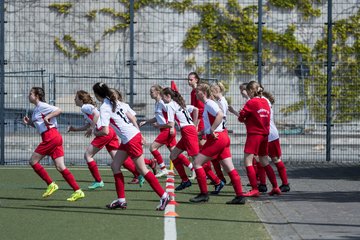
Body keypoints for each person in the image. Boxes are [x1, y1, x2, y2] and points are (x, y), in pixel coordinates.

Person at [92, 82, 169, 210]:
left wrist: (95, 132)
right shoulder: (115, 101)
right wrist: (139, 133)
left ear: (97, 95)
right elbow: (132, 117)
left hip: (130, 139)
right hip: (129, 138)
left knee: (142, 170)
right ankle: (121, 200)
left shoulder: (105, 107)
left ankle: (164, 196)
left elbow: (105, 131)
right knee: (115, 165)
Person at [68, 90, 144, 189]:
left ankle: (98, 181)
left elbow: (96, 114)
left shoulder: (84, 107)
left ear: (81, 100)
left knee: (88, 155)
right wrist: (75, 129)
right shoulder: (86, 109)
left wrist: (92, 128)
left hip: (104, 132)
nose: (74, 99)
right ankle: (138, 174)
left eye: (76, 98)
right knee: (117, 157)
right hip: (110, 131)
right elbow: (90, 122)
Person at [23, 87, 85, 201]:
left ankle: (51, 184)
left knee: (33, 161)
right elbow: (41, 126)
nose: (28, 95)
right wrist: (30, 123)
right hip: (53, 137)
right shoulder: (37, 109)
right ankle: (78, 191)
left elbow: (58, 110)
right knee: (60, 167)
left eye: (31, 93)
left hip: (51, 137)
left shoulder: (42, 105)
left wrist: (48, 116)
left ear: (37, 96)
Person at [189, 83, 245, 204]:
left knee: (197, 163)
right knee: (229, 168)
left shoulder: (209, 103)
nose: (195, 93)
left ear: (203, 93)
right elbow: (217, 120)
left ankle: (204, 194)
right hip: (222, 136)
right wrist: (204, 131)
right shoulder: (209, 104)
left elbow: (220, 115)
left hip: (217, 138)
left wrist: (211, 130)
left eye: (197, 91)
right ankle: (240, 196)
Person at [238, 81, 281, 197]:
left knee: (247, 160)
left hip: (254, 134)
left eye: (247, 91)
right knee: (264, 160)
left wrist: (243, 116)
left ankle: (254, 188)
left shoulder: (251, 102)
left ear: (251, 91)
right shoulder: (265, 102)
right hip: (265, 134)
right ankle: (276, 187)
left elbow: (241, 117)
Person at [160, 87, 198, 191]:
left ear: (168, 96)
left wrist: (158, 125)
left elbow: (170, 124)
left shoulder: (171, 105)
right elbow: (195, 109)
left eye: (162, 96)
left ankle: (216, 181)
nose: (161, 98)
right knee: (173, 155)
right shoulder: (179, 104)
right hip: (187, 130)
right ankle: (185, 180)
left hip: (187, 131)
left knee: (197, 159)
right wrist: (194, 125)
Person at [187, 72, 221, 184]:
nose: (189, 81)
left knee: (202, 147)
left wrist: (196, 125)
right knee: (199, 148)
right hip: (196, 122)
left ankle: (208, 172)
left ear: (196, 79)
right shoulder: (194, 92)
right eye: (188, 79)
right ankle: (204, 172)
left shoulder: (200, 94)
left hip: (201, 122)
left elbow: (200, 110)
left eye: (191, 79)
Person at [139, 85, 175, 178]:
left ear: (158, 92)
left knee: (152, 148)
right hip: (163, 129)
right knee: (174, 152)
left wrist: (172, 127)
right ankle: (192, 168)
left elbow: (172, 114)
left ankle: (163, 169)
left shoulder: (163, 102)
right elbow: (157, 118)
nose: (150, 93)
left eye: (152, 92)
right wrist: (146, 122)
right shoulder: (157, 103)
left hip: (167, 130)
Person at [260, 91, 290, 192]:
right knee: (261, 159)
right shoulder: (264, 101)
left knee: (268, 159)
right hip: (269, 135)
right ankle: (264, 184)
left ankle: (280, 184)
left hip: (268, 135)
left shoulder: (263, 101)